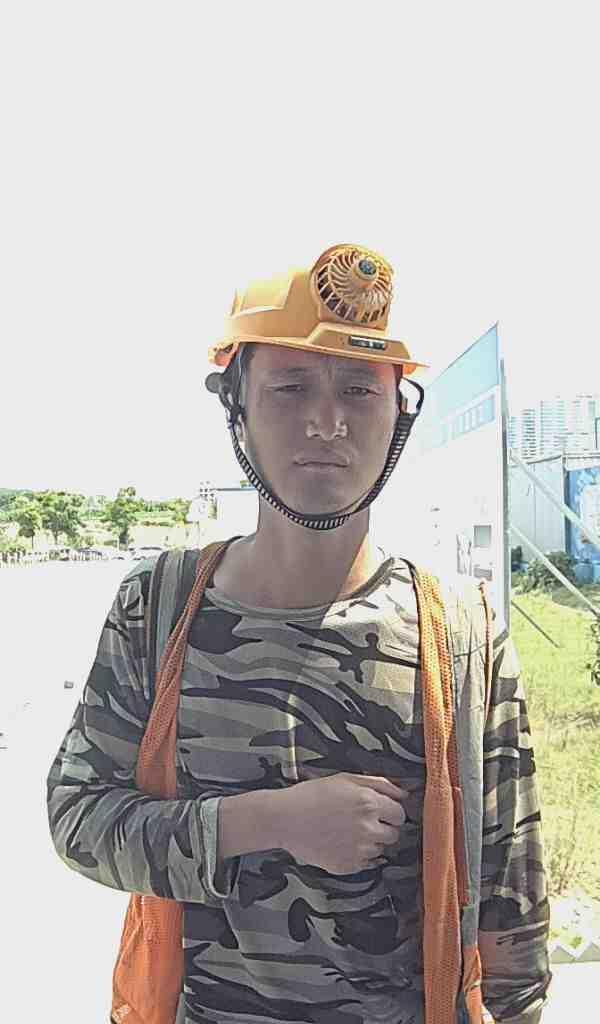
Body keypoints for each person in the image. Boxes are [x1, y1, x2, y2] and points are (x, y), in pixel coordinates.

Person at [47, 243, 550, 1024]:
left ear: (398, 414)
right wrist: (269, 821)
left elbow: (512, 910)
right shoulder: (160, 606)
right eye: (289, 388)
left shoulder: (463, 630)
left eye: (359, 390)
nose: (326, 422)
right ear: (237, 407)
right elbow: (79, 818)